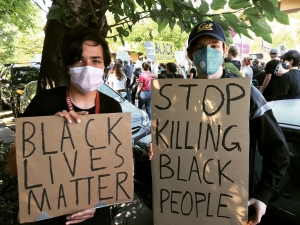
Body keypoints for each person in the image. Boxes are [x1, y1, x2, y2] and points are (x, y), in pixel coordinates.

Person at [150, 20, 289, 225]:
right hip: (186, 206)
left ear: (224, 49)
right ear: (190, 54)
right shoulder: (175, 97)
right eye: (200, 47)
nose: (208, 52)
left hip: (229, 207)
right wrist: (159, 148)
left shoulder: (246, 95)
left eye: (214, 46)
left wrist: (263, 195)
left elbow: (278, 150)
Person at [6, 26, 122, 225]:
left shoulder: (113, 108)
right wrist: (49, 134)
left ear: (105, 66)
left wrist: (97, 202)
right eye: (79, 60)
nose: (87, 66)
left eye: (96, 60)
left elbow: (116, 171)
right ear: (68, 65)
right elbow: (12, 168)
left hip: (97, 219)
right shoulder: (44, 102)